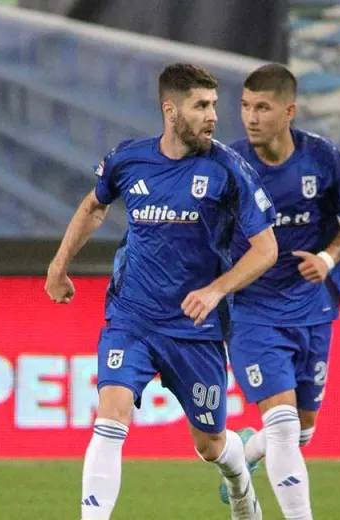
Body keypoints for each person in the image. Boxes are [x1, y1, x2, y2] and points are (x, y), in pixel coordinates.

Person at [44, 63, 278, 520]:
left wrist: (216, 290)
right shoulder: (129, 160)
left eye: (214, 105)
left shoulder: (228, 170)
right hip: (131, 318)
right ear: (171, 111)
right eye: (201, 105)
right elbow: (94, 205)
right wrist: (58, 266)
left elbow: (266, 248)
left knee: (210, 445)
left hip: (196, 329)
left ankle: (240, 481)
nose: (213, 116)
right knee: (109, 418)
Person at [218, 64, 340, 520]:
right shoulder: (231, 165)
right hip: (253, 312)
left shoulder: (322, 159)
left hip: (313, 311)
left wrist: (327, 258)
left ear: (289, 112)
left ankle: (244, 453)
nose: (250, 117)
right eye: (245, 106)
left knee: (302, 432)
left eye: (262, 107)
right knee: (284, 428)